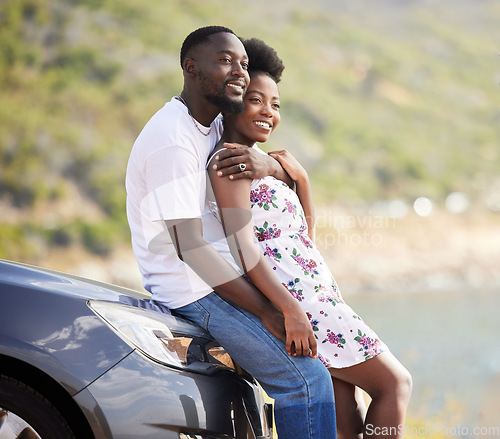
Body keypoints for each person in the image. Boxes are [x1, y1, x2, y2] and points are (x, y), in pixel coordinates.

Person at [126, 26, 337, 439]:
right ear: (191, 68)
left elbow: (261, 157)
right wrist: (272, 309)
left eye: (242, 63)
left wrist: (277, 168)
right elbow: (192, 249)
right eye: (225, 61)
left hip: (225, 276)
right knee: (307, 382)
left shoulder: (210, 126)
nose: (239, 71)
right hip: (194, 290)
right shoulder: (173, 140)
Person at [206, 38, 413, 439]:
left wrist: (299, 178)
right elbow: (243, 248)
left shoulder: (267, 162)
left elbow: (305, 235)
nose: (268, 112)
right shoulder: (229, 161)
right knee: (394, 383)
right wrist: (289, 310)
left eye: (276, 104)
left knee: (346, 404)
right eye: (255, 100)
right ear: (232, 102)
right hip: (300, 305)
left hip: (319, 294)